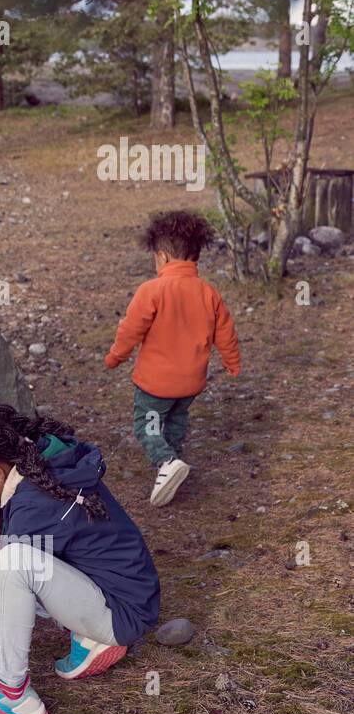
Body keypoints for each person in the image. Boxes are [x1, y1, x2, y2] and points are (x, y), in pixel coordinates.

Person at [0, 400, 161, 714]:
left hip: (122, 612)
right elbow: (42, 549)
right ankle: (88, 637)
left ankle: (11, 695)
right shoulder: (40, 462)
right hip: (120, 591)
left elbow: (21, 563)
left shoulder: (37, 502)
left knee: (8, 560)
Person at [105, 210, 241, 506]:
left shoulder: (151, 291)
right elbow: (226, 333)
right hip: (190, 384)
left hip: (156, 386)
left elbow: (130, 330)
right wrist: (232, 363)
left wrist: (116, 356)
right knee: (176, 422)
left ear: (163, 257)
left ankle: (166, 463)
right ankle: (173, 465)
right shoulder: (209, 293)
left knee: (148, 426)